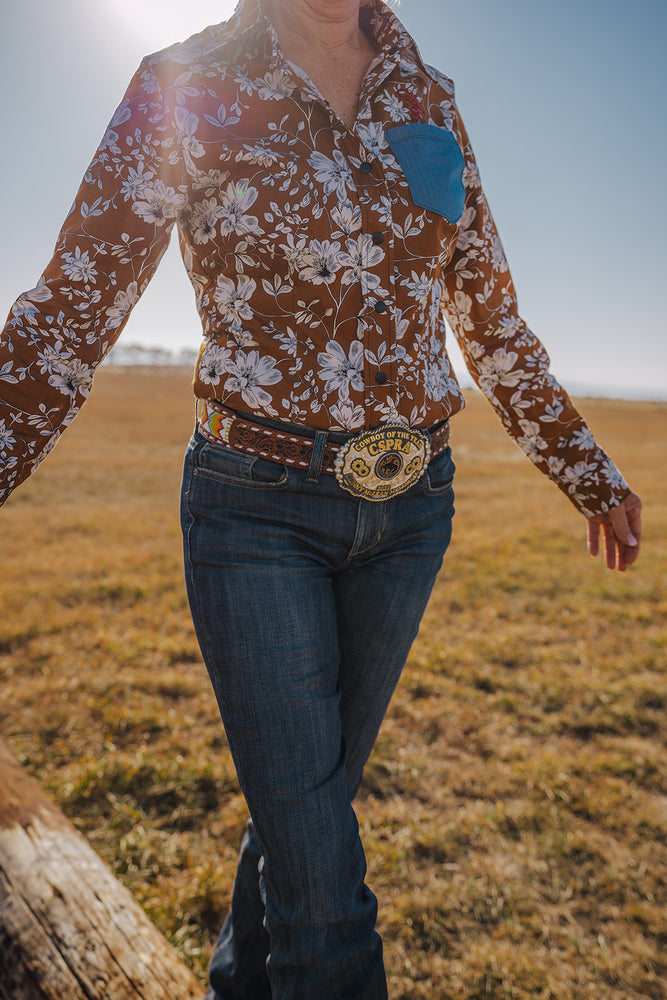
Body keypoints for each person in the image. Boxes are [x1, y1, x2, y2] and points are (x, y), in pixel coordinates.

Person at [0, 0, 642, 997]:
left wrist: (586, 470)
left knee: (303, 818)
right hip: (253, 509)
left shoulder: (429, 100)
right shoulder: (186, 81)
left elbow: (491, 318)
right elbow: (76, 300)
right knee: (323, 886)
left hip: (412, 513)